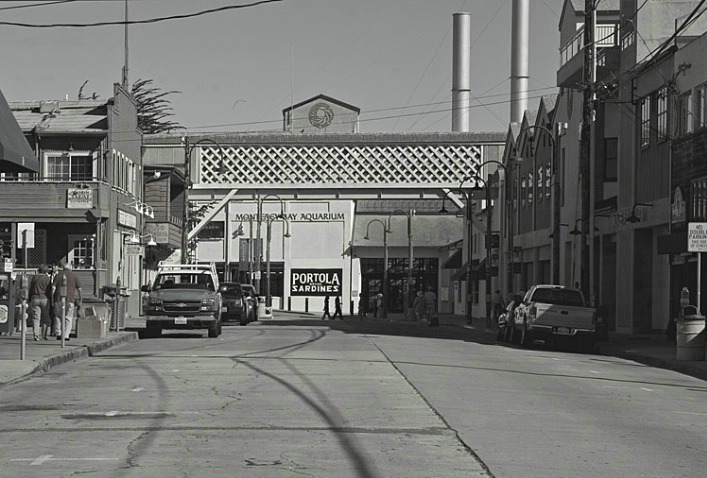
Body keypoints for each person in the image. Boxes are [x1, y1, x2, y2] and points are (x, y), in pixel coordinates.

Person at [52, 262, 82, 341]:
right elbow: (79, 289)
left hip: (58, 299)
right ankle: (66, 335)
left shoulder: (58, 275)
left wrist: (52, 298)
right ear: (71, 268)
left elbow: (53, 288)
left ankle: (58, 333)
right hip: (70, 299)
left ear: (63, 268)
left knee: (58, 316)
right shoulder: (75, 276)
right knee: (68, 317)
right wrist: (80, 299)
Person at [29, 264, 52, 341]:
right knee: (45, 318)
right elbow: (49, 290)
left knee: (36, 318)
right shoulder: (47, 279)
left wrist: (29, 299)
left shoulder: (34, 278)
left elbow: (31, 289)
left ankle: (36, 335)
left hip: (35, 298)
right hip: (45, 298)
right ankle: (44, 335)